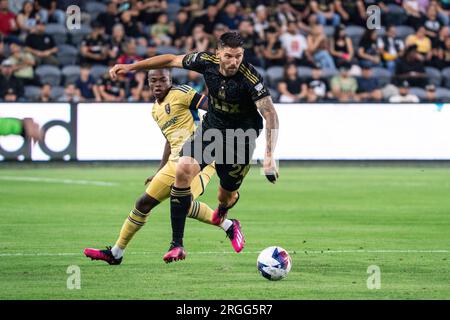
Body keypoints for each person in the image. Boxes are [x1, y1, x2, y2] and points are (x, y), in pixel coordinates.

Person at [110, 32, 279, 263]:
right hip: (211, 130)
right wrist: (131, 68)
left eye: (238, 56)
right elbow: (170, 59)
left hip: (241, 138)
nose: (233, 62)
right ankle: (177, 244)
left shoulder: (250, 78)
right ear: (218, 53)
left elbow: (270, 113)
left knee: (226, 195)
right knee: (183, 169)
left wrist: (269, 156)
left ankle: (225, 212)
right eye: (228, 56)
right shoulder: (205, 62)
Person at [84, 69, 239, 265]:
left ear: (170, 80)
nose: (158, 84)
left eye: (162, 80)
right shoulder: (155, 110)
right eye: (153, 80)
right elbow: (169, 139)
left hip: (200, 160)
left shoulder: (182, 93)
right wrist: (159, 169)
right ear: (148, 83)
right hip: (174, 162)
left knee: (183, 202)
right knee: (143, 204)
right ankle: (116, 253)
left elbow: (213, 107)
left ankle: (225, 226)